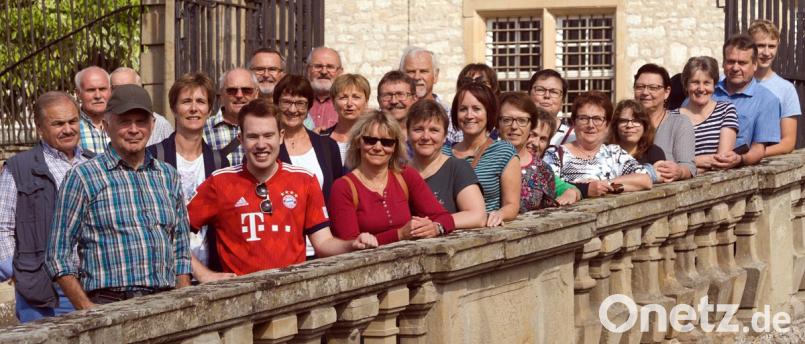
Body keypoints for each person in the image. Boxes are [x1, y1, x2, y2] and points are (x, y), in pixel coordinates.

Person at [187, 99, 377, 275]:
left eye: (268, 135)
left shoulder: (304, 181)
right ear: (241, 139)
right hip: (240, 301)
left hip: (292, 297)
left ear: (281, 136)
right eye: (253, 137)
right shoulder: (220, 182)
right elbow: (173, 233)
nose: (261, 145)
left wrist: (352, 244)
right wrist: (204, 275)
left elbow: (323, 242)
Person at [46, 85, 192, 309]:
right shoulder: (83, 177)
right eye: (124, 121)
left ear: (152, 125)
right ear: (106, 126)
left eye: (141, 121)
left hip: (165, 303)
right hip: (109, 303)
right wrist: (87, 309)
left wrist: (182, 303)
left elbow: (180, 248)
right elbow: (58, 254)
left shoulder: (167, 176)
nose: (134, 129)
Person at [0, 92, 93, 322]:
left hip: (92, 284)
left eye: (73, 121)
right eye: (58, 124)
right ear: (40, 128)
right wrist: (20, 272)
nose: (68, 129)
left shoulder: (94, 163)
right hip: (43, 292)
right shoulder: (19, 168)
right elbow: (2, 227)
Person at [147, 72, 234, 283]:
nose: (194, 108)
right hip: (165, 274)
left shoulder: (220, 161)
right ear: (174, 109)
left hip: (212, 269)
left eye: (200, 102)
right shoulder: (152, 157)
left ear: (209, 109)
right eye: (186, 101)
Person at [329, 110, 455, 244]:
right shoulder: (343, 187)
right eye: (370, 140)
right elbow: (351, 244)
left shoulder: (406, 175)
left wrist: (436, 228)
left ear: (395, 146)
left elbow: (444, 217)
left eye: (386, 142)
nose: (378, 147)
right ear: (358, 142)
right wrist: (399, 234)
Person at [274, 75, 345, 260]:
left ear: (308, 107)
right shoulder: (266, 148)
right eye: (286, 102)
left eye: (300, 103)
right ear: (276, 104)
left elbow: (336, 196)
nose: (292, 109)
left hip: (323, 249)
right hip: (283, 249)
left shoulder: (327, 147)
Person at [543, 91, 652, 197]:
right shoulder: (556, 155)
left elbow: (645, 180)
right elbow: (547, 186)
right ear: (574, 122)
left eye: (597, 119)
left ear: (607, 124)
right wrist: (586, 189)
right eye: (583, 118)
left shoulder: (614, 153)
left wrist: (605, 184)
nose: (590, 125)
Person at [443, 83, 520, 226]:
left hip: (485, 234)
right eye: (463, 109)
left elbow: (512, 204)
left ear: (489, 113)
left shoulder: (503, 152)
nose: (469, 115)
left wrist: (499, 214)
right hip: (445, 231)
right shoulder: (443, 153)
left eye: (476, 109)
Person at [407, 99, 487, 229]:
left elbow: (477, 215)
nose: (425, 136)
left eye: (434, 130)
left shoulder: (457, 169)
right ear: (408, 134)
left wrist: (438, 225)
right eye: (418, 129)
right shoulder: (398, 173)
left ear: (444, 136)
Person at [497, 92, 580, 211]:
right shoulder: (486, 159)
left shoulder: (542, 169)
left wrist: (573, 192)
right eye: (533, 135)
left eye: (543, 139)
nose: (535, 143)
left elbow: (568, 188)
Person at [711, 34, 782, 167]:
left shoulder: (767, 101)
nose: (735, 68)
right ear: (723, 63)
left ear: (755, 65)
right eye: (731, 61)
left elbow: (758, 149)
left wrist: (740, 159)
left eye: (742, 63)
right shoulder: (707, 92)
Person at [633, 63, 696, 183]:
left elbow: (689, 167)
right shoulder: (624, 124)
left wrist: (679, 171)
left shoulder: (679, 123)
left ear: (667, 92)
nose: (645, 92)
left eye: (653, 87)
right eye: (640, 87)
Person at [675, 57, 739, 172]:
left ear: (714, 85)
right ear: (686, 84)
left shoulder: (726, 110)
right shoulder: (672, 118)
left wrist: (686, 165)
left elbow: (722, 161)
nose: (701, 88)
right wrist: (700, 161)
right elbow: (669, 162)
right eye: (695, 82)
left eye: (707, 83)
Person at [749, 20, 800, 156]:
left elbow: (788, 142)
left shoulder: (786, 89)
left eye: (771, 46)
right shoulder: (728, 81)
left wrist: (751, 155)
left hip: (765, 162)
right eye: (760, 46)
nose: (766, 52)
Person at [400, 46, 462, 144]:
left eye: (423, 71)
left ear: (435, 75)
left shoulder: (452, 117)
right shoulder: (392, 115)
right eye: (411, 72)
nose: (417, 77)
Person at [204, 68, 260, 165]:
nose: (239, 95)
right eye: (232, 90)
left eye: (246, 90)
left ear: (256, 94)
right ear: (221, 95)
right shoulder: (203, 129)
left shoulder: (268, 127)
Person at [110, 67, 174, 145]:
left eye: (129, 88)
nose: (123, 93)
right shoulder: (105, 122)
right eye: (116, 88)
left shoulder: (161, 126)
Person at [608, 99, 666, 183]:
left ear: (645, 125)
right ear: (615, 125)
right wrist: (649, 172)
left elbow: (661, 175)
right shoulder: (605, 152)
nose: (629, 125)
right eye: (623, 121)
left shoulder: (654, 152)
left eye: (636, 121)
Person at [321, 74, 371, 163]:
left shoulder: (373, 139)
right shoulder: (321, 138)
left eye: (356, 97)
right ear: (333, 102)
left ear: (366, 101)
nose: (349, 103)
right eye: (343, 97)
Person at [527, 69, 575, 146]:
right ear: (529, 95)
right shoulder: (515, 131)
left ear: (562, 100)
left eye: (554, 92)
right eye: (540, 90)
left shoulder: (573, 137)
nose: (547, 96)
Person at [306, 47, 344, 132]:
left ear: (340, 72)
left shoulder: (349, 106)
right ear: (308, 70)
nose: (324, 72)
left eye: (330, 67)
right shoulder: (294, 102)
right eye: (318, 66)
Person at [75, 66, 111, 154]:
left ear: (110, 91)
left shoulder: (122, 124)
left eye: (102, 89)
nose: (98, 96)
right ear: (78, 93)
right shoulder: (71, 127)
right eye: (91, 90)